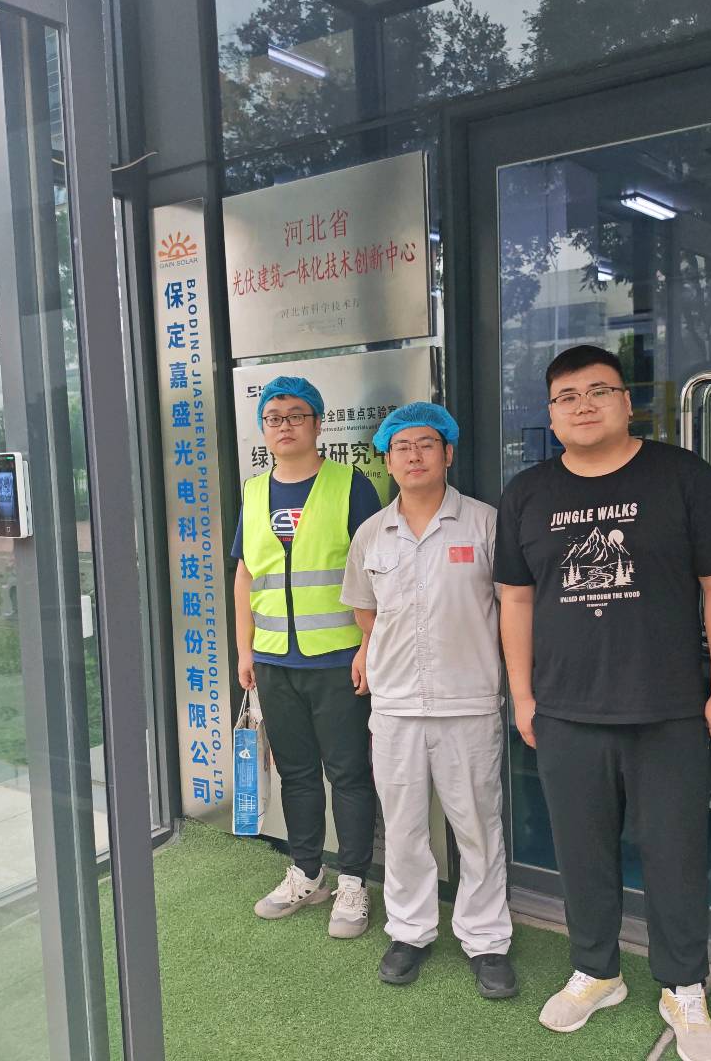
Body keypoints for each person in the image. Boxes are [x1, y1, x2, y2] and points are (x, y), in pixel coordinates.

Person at [494, 345, 711, 1061]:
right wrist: (523, 696)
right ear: (551, 415)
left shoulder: (681, 476)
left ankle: (683, 986)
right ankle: (596, 971)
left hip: (670, 708)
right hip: (566, 710)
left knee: (675, 853)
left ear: (626, 402)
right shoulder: (527, 493)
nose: (582, 405)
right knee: (582, 854)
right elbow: (516, 601)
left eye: (598, 391)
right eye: (566, 397)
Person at [341, 402, 517, 999]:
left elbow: (513, 608)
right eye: (401, 447)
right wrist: (369, 651)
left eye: (425, 444)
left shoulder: (485, 524)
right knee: (405, 827)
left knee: (478, 827)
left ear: (448, 453)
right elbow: (366, 611)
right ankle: (409, 932)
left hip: (469, 701)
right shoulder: (371, 533)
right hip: (394, 705)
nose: (414, 456)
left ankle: (486, 939)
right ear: (388, 461)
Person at [233, 375, 382, 938]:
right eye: (274, 418)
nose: (285, 426)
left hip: (338, 659)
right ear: (263, 429)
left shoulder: (351, 486)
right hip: (274, 661)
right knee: (295, 773)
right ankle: (306, 872)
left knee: (348, 774)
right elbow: (245, 575)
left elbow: (377, 572)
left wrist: (368, 647)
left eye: (297, 415)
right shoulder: (253, 491)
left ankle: (354, 882)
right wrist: (245, 650)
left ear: (318, 424)